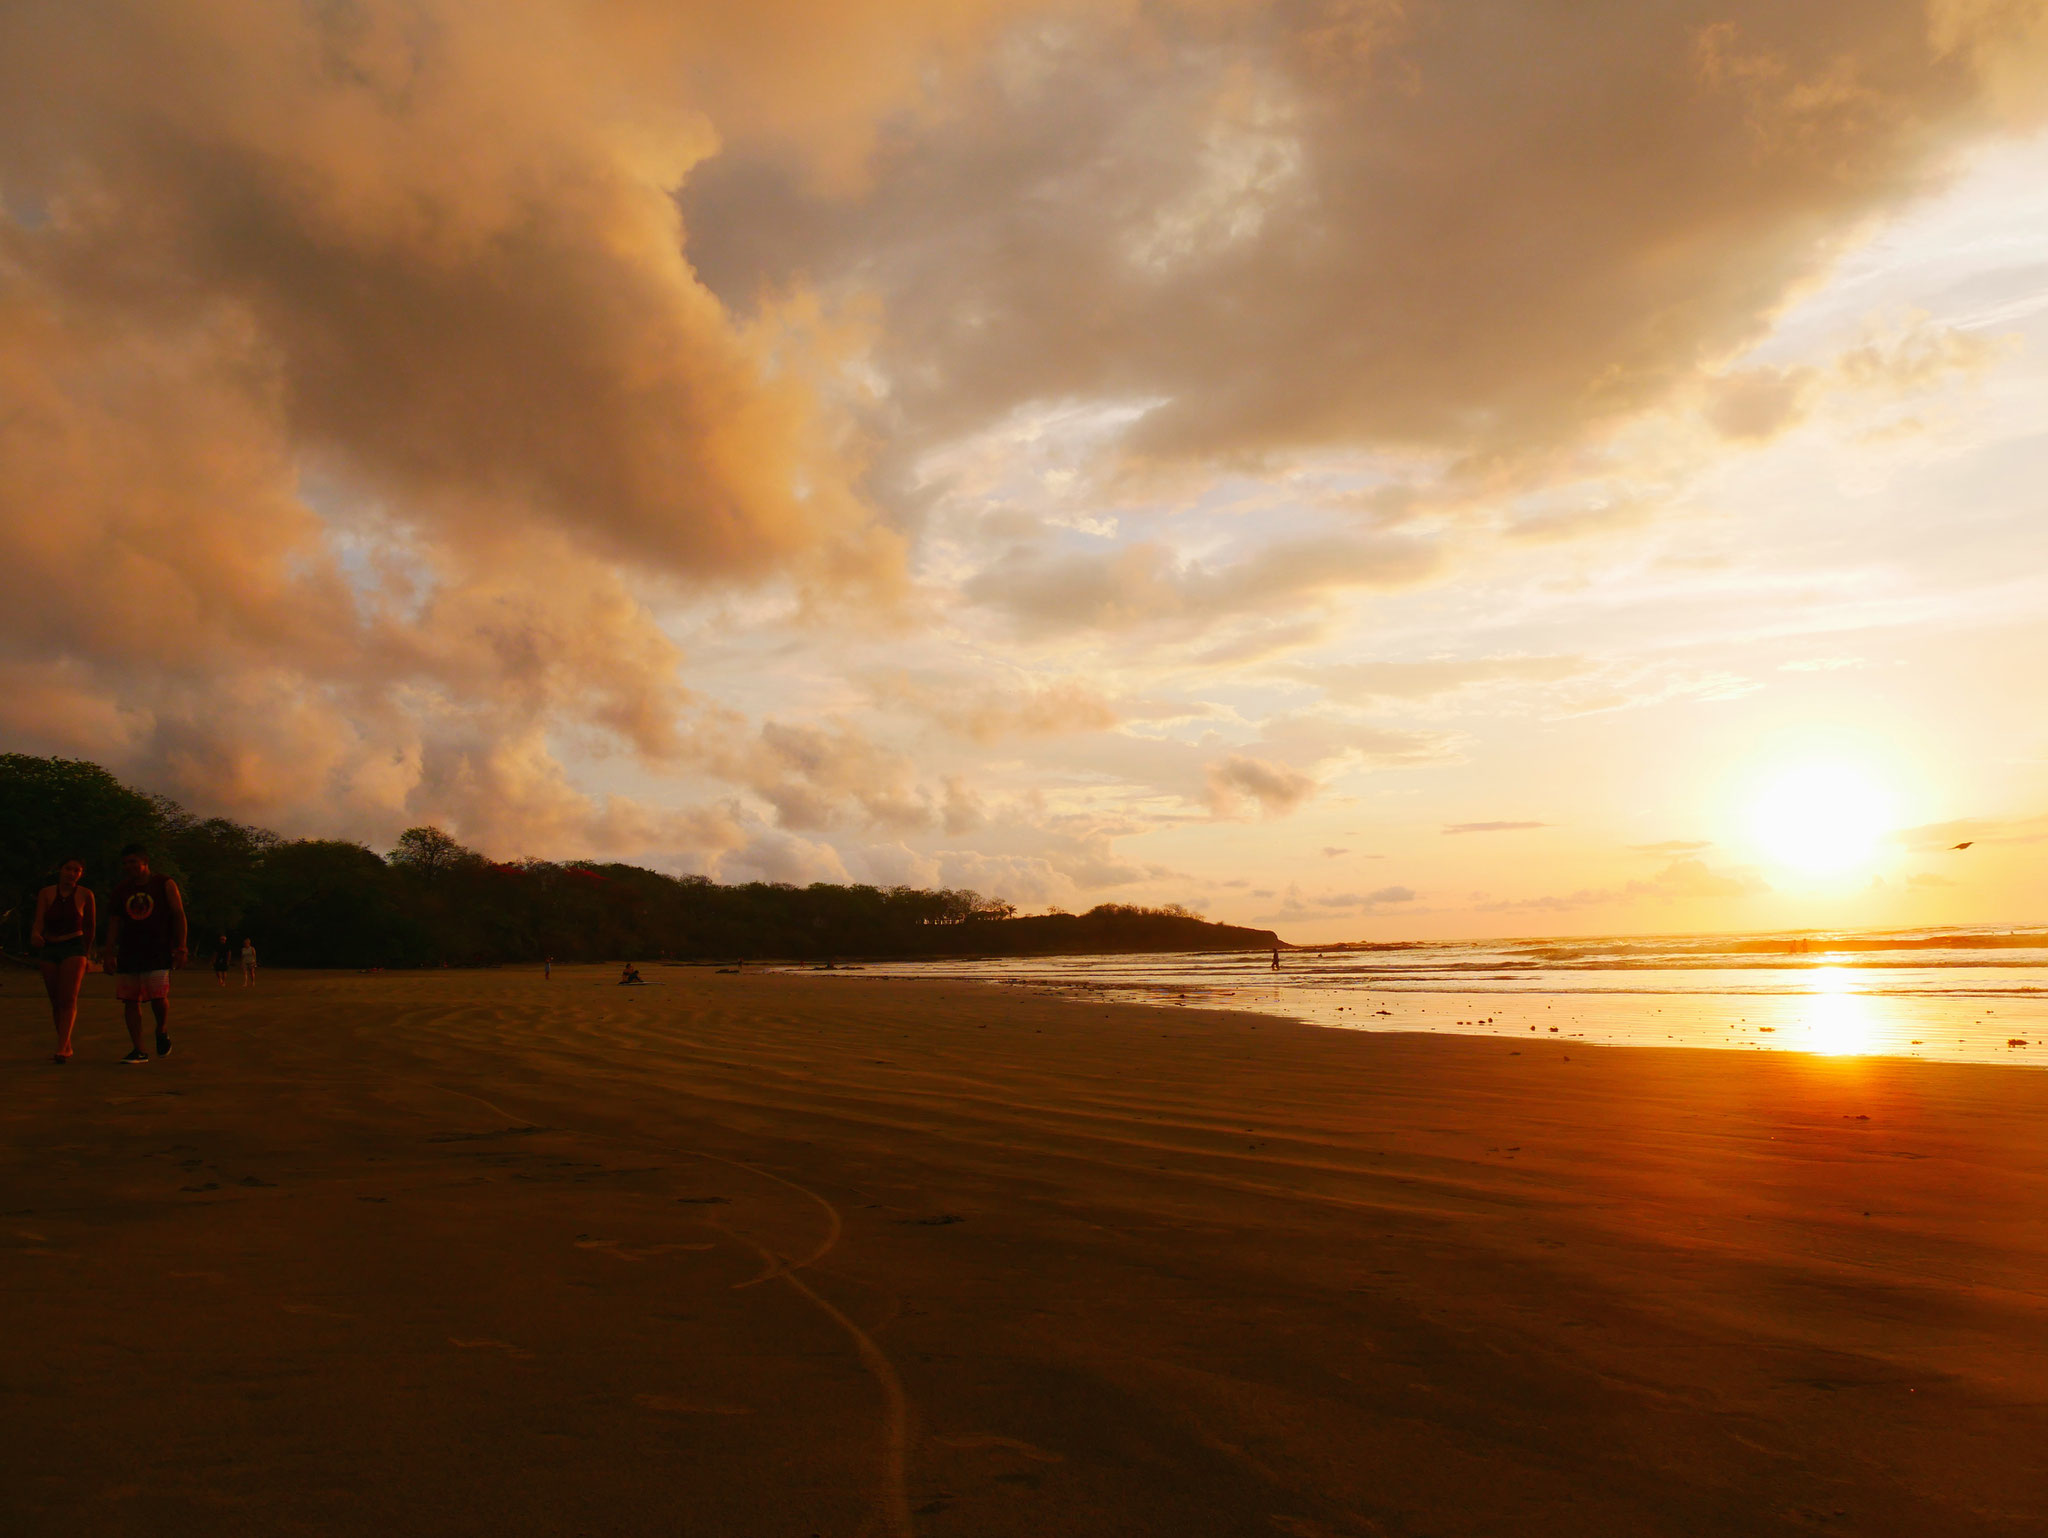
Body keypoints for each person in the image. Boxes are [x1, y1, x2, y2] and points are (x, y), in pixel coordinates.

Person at [104, 843, 187, 1063]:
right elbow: (114, 921)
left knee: (158, 998)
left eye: (132, 862)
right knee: (130, 1000)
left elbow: (179, 914)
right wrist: (109, 952)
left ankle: (161, 1028)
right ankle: (138, 1049)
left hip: (158, 949)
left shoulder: (164, 883)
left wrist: (181, 947)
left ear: (144, 861)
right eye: (125, 863)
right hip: (130, 950)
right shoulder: (122, 890)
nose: (128, 866)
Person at [29, 858, 95, 1062]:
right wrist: (35, 934)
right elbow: (39, 919)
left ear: (81, 874)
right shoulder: (47, 893)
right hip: (50, 947)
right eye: (68, 869)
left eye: (77, 870)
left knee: (68, 998)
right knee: (56, 1000)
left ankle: (62, 1048)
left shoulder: (85, 894)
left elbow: (90, 927)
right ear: (60, 870)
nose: (71, 873)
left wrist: (87, 954)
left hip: (73, 946)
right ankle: (65, 1043)